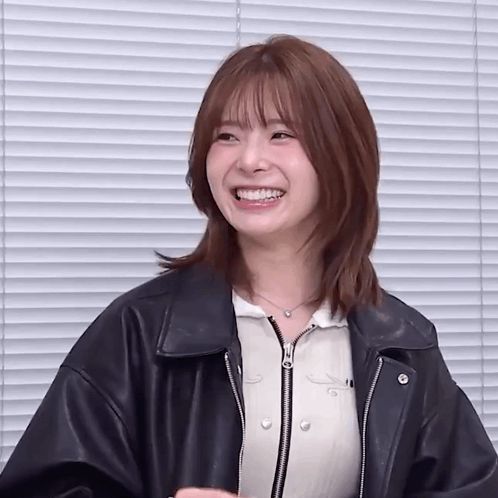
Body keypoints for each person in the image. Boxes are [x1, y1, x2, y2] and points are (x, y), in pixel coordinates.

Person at [0, 34, 497, 498]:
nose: (250, 160)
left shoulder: (404, 345)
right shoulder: (139, 330)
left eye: (281, 134)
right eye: (227, 136)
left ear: (341, 154)